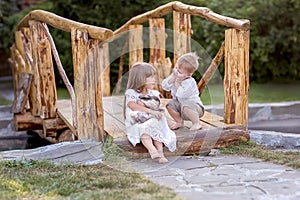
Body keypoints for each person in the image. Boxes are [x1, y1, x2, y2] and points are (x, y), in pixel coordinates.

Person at [124, 62, 176, 163]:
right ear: (141, 79)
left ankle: (160, 154)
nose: (154, 80)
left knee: (157, 132)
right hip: (137, 122)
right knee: (144, 132)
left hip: (151, 121)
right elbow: (132, 105)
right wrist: (148, 109)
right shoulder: (132, 93)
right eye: (151, 77)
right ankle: (152, 149)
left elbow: (155, 104)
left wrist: (146, 105)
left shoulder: (153, 93)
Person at [162, 52, 204, 131]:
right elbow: (165, 86)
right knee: (170, 104)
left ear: (188, 75)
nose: (176, 72)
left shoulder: (190, 82)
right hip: (182, 108)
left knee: (186, 105)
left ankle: (196, 123)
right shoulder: (175, 76)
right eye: (176, 68)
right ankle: (179, 122)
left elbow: (181, 94)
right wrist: (172, 79)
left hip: (195, 109)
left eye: (180, 72)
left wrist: (178, 82)